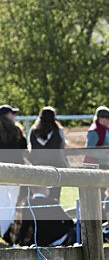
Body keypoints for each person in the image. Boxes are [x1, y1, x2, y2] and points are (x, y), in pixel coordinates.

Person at [5, 186, 76, 247]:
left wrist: (19, 240)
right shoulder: (53, 202)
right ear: (45, 190)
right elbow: (69, 222)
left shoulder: (28, 204)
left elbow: (25, 226)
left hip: (40, 240)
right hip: (57, 238)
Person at [28, 106, 69, 201]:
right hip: (55, 166)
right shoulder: (58, 131)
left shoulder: (33, 131)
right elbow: (62, 147)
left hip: (38, 166)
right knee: (54, 195)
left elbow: (31, 148)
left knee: (39, 194)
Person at [0, 104, 29, 238]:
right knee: (13, 200)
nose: (14, 116)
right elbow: (23, 147)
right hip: (16, 169)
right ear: (7, 115)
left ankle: (4, 230)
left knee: (3, 199)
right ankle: (10, 230)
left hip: (2, 169)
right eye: (12, 113)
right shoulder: (16, 130)